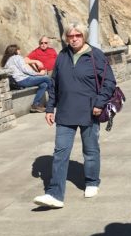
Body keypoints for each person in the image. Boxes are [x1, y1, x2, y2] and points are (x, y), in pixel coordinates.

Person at [33, 22, 116, 209]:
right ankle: (55, 194)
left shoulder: (96, 56)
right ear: (66, 38)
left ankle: (92, 181)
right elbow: (54, 84)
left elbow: (109, 82)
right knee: (60, 152)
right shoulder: (62, 56)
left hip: (89, 111)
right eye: (70, 36)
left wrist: (99, 103)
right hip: (65, 112)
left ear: (84, 36)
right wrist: (49, 108)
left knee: (91, 150)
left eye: (78, 35)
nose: (74, 38)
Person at [1, 44, 53, 113]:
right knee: (46, 78)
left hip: (17, 82)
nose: (20, 51)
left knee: (43, 85)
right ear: (16, 51)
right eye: (19, 49)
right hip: (23, 80)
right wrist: (38, 74)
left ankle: (35, 105)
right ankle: (53, 100)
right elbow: (25, 69)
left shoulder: (8, 60)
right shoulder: (17, 57)